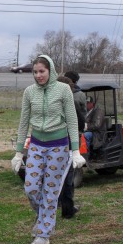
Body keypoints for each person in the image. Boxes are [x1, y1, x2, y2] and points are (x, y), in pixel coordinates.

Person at [11, 55, 85, 244]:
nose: (38, 75)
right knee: (31, 188)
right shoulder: (29, 92)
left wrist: (75, 151)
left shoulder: (63, 90)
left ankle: (43, 234)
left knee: (50, 192)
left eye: (41, 71)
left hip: (58, 147)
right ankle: (43, 216)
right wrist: (19, 153)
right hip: (36, 145)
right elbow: (23, 122)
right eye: (35, 72)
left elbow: (72, 120)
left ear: (50, 71)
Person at [57, 76, 85, 219]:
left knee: (54, 176)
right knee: (68, 178)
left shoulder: (50, 100)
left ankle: (54, 204)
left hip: (52, 144)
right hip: (68, 143)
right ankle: (68, 209)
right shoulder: (70, 102)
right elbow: (80, 121)